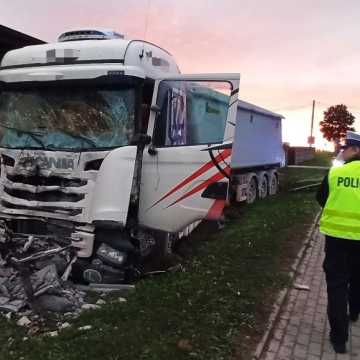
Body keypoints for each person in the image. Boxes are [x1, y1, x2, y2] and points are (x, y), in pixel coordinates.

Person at [317, 131, 360, 354]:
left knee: (337, 287)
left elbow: (320, 198)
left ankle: (339, 339)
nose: (342, 151)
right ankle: (354, 312)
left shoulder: (335, 173)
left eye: (346, 148)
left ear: (356, 150)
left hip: (336, 240)